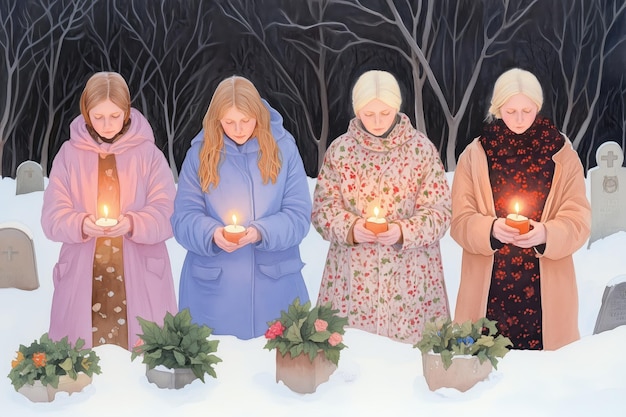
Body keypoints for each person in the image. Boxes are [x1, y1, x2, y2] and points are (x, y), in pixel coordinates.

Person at [451, 68, 591, 350]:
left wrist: (546, 234)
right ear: (497, 108)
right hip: (489, 290)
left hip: (545, 293)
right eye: (510, 110)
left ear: (537, 107)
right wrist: (490, 229)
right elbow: (460, 221)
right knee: (485, 372)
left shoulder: (561, 154)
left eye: (526, 110)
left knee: (543, 382)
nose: (518, 118)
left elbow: (579, 220)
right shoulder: (475, 155)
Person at [311, 70, 452, 344]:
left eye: (384, 113)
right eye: (368, 113)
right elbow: (322, 209)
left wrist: (403, 231)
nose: (377, 121)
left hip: (411, 278)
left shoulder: (421, 150)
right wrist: (351, 227)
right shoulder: (340, 151)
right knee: (353, 361)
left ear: (397, 109)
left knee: (409, 366)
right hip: (352, 279)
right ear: (357, 111)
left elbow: (440, 211)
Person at [41, 71, 178, 350]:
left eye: (114, 116)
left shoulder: (149, 155)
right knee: (81, 358)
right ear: (86, 113)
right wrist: (79, 223)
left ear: (127, 112)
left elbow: (168, 212)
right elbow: (52, 215)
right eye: (98, 116)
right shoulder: (69, 155)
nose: (106, 124)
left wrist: (133, 223)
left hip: (139, 272)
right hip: (84, 273)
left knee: (143, 356)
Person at [171, 75, 311, 340]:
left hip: (276, 289)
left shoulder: (285, 150)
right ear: (217, 120)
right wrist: (211, 233)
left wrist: (262, 231)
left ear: (258, 114)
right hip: (212, 294)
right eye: (229, 122)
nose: (238, 129)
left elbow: (299, 215)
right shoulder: (199, 155)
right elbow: (183, 218)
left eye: (245, 120)